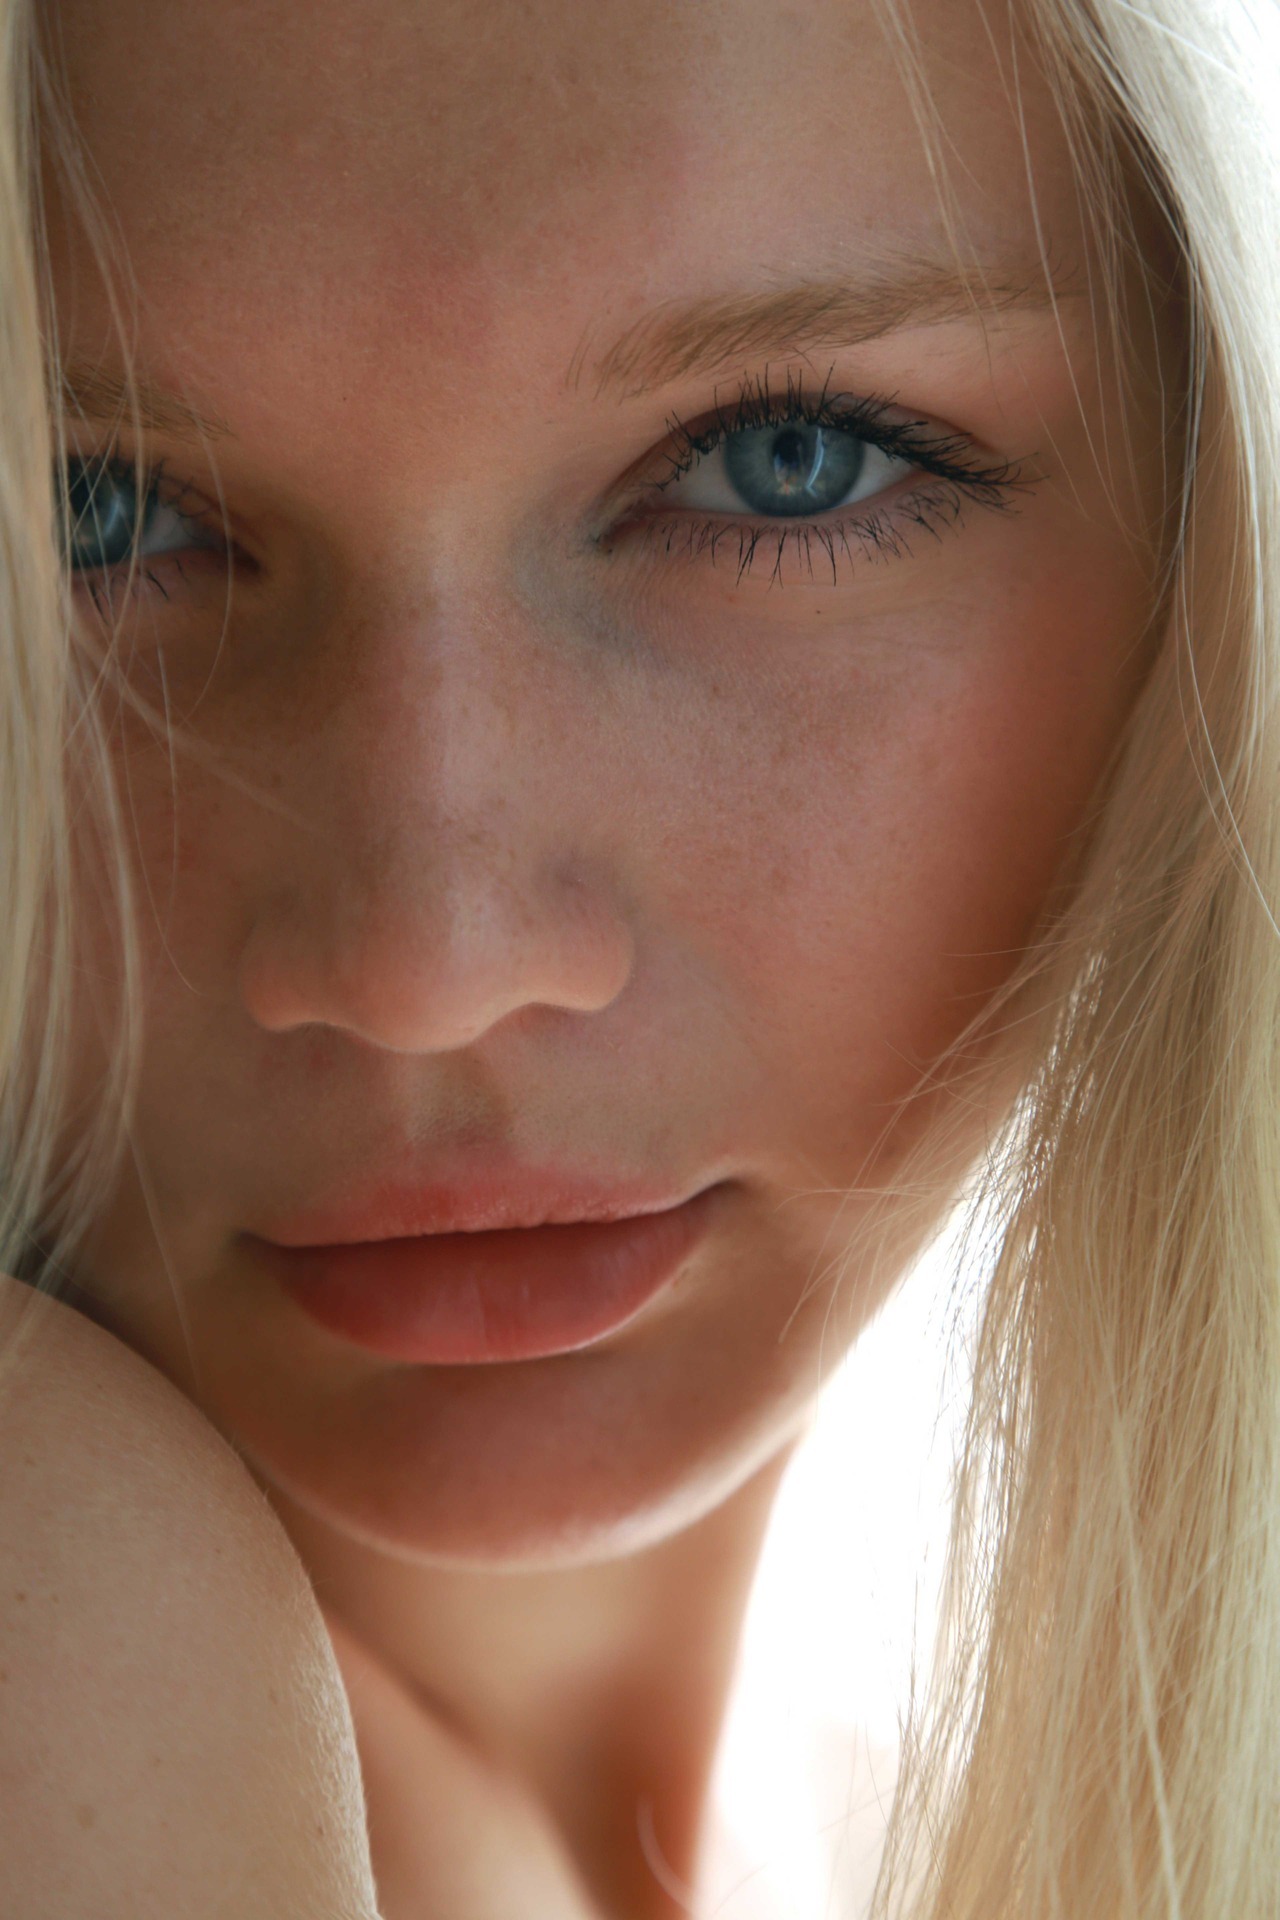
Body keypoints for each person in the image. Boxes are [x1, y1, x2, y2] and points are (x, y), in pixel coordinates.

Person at [0, 0, 1275, 1913]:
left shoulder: (897, 1831)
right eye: (88, 513)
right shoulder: (54, 1640)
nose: (433, 964)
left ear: (1213, 524)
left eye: (784, 462)